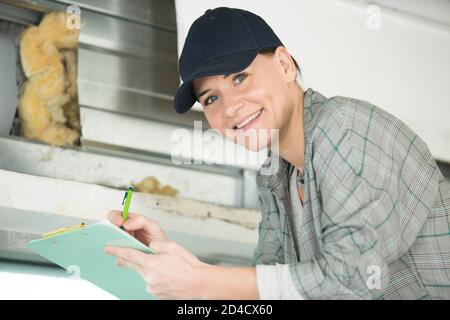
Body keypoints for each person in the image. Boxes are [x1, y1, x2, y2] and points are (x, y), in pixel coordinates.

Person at [104, 7, 450, 300]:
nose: (231, 107)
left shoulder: (344, 127)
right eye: (211, 98)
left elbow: (352, 279)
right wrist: (169, 260)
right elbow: (271, 288)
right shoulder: (274, 171)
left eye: (240, 77)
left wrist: (201, 280)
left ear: (285, 64)